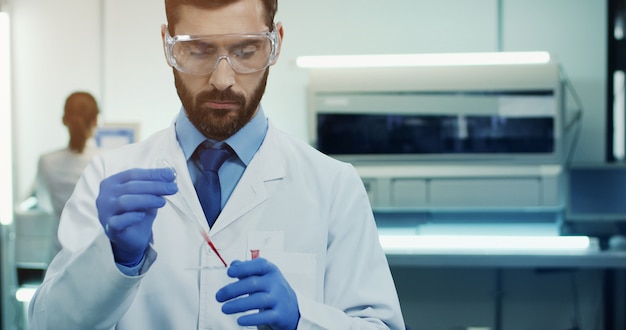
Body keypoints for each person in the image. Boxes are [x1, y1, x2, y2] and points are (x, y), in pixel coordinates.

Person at [28, 0, 405, 329]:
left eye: (246, 50)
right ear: (167, 45)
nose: (222, 80)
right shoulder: (107, 176)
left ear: (276, 43)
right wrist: (115, 260)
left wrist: (300, 320)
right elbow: (47, 324)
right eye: (198, 50)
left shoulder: (334, 186)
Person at [34, 91, 100, 257]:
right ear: (95, 121)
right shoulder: (105, 159)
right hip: (94, 253)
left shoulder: (46, 161)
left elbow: (43, 204)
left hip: (58, 253)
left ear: (64, 120)